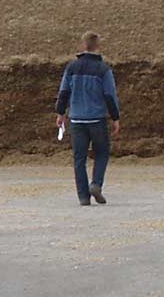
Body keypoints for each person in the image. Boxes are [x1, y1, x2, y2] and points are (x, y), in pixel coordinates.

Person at [55, 30, 120, 206]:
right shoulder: (103, 69)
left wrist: (60, 113)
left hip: (76, 120)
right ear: (98, 47)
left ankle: (83, 196)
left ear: (83, 46)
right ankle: (96, 184)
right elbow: (110, 95)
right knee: (102, 153)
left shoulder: (71, 67)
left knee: (79, 158)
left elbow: (64, 92)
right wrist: (115, 118)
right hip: (97, 120)